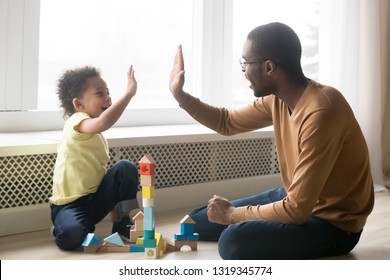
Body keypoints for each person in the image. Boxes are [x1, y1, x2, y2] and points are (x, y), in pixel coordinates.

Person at [169, 22, 375, 259]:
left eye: (246, 63)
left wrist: (233, 214)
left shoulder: (322, 111)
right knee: (195, 221)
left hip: (334, 224)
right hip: (296, 199)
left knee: (232, 241)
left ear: (269, 67)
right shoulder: (278, 100)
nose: (243, 70)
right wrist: (180, 96)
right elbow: (226, 122)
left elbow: (296, 210)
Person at [50, 66, 139, 251]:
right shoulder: (76, 121)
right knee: (72, 238)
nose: (108, 97)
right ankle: (62, 227)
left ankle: (122, 221)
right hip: (71, 204)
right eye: (100, 93)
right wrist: (129, 93)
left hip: (95, 199)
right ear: (79, 104)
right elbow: (104, 122)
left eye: (108, 92)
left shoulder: (93, 131)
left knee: (126, 168)